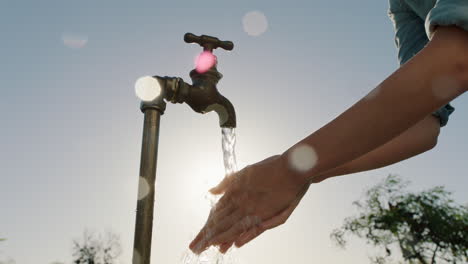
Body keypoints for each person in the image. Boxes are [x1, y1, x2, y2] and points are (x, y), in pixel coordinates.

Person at [189, 0, 468, 254]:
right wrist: (306, 171)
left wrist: (288, 170)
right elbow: (422, 124)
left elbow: (458, 59)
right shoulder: (403, 5)